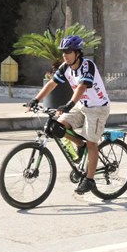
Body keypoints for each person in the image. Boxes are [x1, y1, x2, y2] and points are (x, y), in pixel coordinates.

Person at [26, 35, 110, 195]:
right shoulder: (65, 67)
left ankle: (90, 180)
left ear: (77, 52)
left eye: (68, 51)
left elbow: (81, 88)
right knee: (57, 127)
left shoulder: (87, 66)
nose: (64, 54)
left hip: (98, 108)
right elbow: (52, 83)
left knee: (92, 143)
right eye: (63, 51)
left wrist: (68, 105)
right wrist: (35, 99)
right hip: (81, 106)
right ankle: (80, 144)